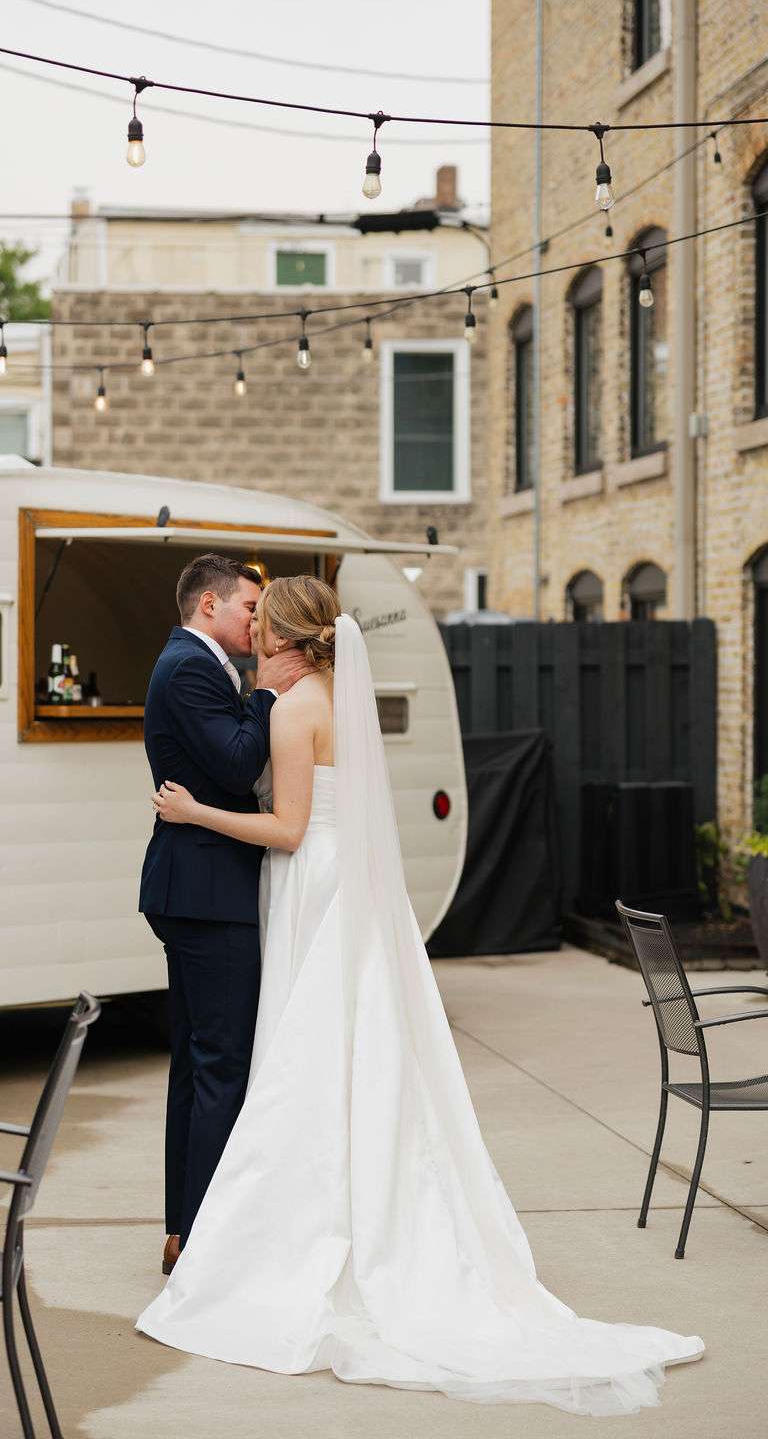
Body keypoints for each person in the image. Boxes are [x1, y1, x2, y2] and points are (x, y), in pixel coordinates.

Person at [136, 574, 704, 1418]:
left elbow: (288, 828)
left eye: (263, 626)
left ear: (286, 639)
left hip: (309, 881)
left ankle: (285, 1232)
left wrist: (193, 813)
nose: (253, 636)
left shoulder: (294, 709)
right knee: (350, 1048)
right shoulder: (332, 695)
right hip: (343, 885)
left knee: (307, 1055)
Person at [139, 554, 313, 1277]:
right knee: (221, 1068)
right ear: (209, 604)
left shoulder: (196, 664)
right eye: (248, 606)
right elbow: (241, 764)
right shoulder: (190, 668)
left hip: (194, 890)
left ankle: (184, 1228)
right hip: (209, 896)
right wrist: (267, 696)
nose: (256, 619)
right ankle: (205, 1237)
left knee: (195, 1065)